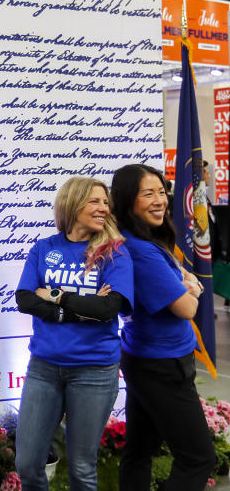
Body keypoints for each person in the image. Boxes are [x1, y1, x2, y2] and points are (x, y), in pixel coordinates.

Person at [15, 176, 134, 491]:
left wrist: (56, 296)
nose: (103, 208)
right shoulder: (44, 248)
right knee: (27, 463)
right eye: (94, 201)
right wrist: (77, 308)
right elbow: (25, 298)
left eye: (105, 202)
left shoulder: (114, 253)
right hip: (43, 367)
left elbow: (108, 309)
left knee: (81, 468)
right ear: (72, 203)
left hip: (94, 370)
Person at [110, 163, 215, 491]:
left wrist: (186, 283)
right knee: (198, 458)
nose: (159, 200)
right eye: (148, 194)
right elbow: (186, 307)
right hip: (161, 365)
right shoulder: (140, 251)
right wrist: (193, 288)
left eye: (161, 192)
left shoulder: (142, 241)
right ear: (128, 201)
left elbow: (181, 281)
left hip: (147, 358)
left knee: (139, 450)